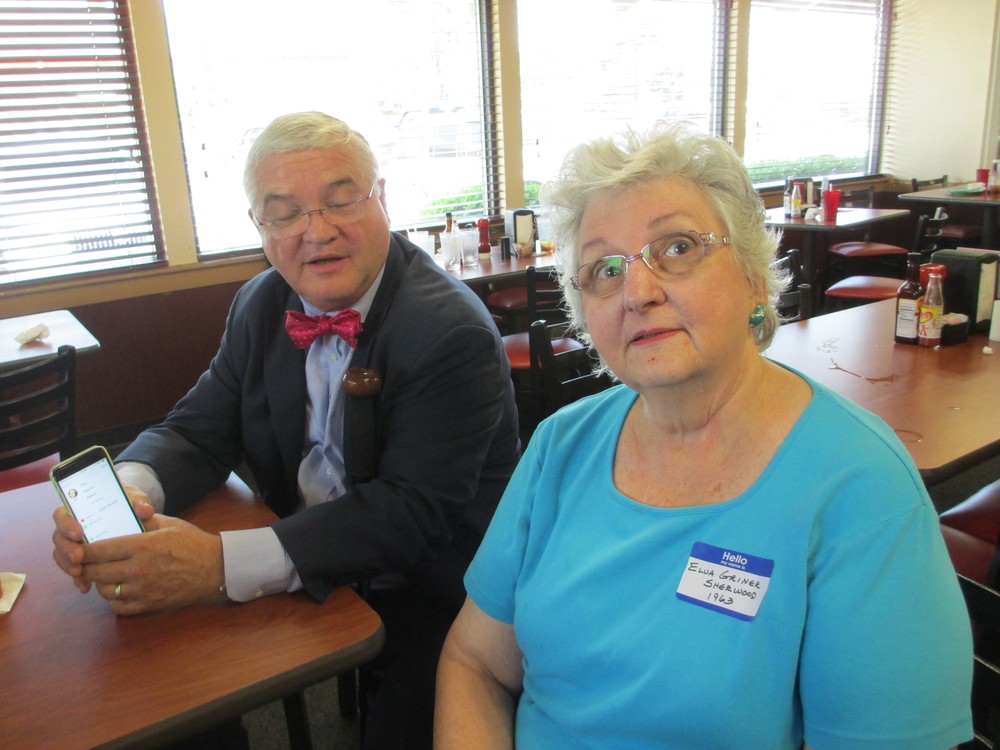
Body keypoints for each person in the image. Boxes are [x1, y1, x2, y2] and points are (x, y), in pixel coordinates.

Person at [434, 121, 973, 749]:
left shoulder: (860, 486)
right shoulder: (560, 445)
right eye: (606, 269)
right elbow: (475, 662)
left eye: (678, 248)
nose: (637, 292)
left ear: (752, 273)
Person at [52, 111, 520, 750]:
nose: (317, 231)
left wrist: (218, 565)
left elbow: (409, 516)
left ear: (381, 198)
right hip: (301, 548)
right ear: (260, 228)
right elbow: (196, 428)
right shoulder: (261, 303)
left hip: (432, 586)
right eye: (285, 213)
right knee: (158, 687)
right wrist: (131, 492)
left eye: (340, 201)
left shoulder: (449, 332)